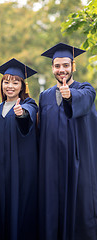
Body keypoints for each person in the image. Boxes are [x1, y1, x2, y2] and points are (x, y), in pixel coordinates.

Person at [39, 42, 97, 240]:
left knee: (78, 210)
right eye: (57, 66)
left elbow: (85, 98)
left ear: (73, 66)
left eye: (65, 65)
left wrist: (70, 95)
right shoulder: (44, 97)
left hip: (76, 165)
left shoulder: (86, 89)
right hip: (51, 167)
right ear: (52, 68)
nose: (61, 70)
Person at [0, 58, 38, 240]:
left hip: (20, 171)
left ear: (22, 86)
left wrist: (22, 115)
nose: (10, 86)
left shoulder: (29, 104)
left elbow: (28, 118)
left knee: (19, 212)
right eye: (6, 82)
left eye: (15, 82)